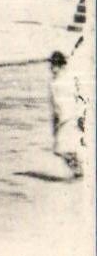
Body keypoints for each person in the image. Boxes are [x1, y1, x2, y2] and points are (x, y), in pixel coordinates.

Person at [48, 47, 85, 179]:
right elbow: (54, 105)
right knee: (62, 148)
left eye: (55, 65)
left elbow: (76, 97)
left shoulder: (64, 80)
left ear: (61, 66)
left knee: (60, 148)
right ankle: (78, 169)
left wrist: (80, 114)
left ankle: (79, 169)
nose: (53, 68)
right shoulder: (55, 82)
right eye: (52, 65)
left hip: (68, 117)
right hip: (63, 117)